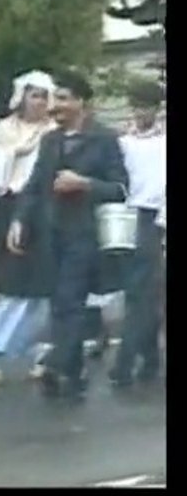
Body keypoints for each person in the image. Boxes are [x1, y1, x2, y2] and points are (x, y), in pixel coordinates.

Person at [7, 70, 128, 402]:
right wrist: (19, 220)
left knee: (69, 299)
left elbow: (120, 188)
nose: (53, 106)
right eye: (51, 99)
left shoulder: (104, 138)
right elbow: (35, 186)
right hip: (51, 232)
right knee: (59, 301)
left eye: (61, 98)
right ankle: (72, 371)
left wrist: (84, 183)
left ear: (81, 102)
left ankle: (57, 364)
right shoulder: (51, 140)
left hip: (85, 233)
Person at [0, 70, 57, 386]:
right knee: (6, 284)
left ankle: (41, 352)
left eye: (45, 96)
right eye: (34, 95)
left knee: (40, 287)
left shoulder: (54, 132)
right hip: (4, 208)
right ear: (21, 98)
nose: (40, 103)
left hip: (42, 212)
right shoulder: (3, 131)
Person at [109, 79, 166, 388]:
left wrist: (162, 221)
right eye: (136, 105)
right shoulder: (123, 142)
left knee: (139, 290)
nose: (139, 112)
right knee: (139, 291)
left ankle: (125, 362)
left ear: (156, 110)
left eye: (146, 106)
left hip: (151, 218)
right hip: (122, 216)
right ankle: (149, 355)